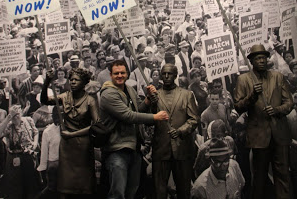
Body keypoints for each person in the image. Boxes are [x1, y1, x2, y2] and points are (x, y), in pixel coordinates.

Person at [99, 59, 169, 199]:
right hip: (116, 149)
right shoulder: (108, 94)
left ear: (127, 73)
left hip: (133, 148)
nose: (119, 76)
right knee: (117, 193)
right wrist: (155, 117)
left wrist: (148, 99)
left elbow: (139, 109)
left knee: (132, 191)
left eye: (122, 73)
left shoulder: (129, 89)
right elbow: (128, 116)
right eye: (116, 73)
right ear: (111, 75)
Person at [233, 44, 293, 199]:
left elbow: (289, 103)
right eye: (257, 58)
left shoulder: (278, 76)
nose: (261, 61)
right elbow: (238, 106)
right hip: (258, 137)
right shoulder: (243, 79)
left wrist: (277, 110)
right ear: (251, 61)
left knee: (283, 175)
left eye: (264, 58)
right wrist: (252, 96)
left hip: (279, 134)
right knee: (259, 178)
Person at [41, 68, 99, 197]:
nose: (72, 82)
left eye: (76, 80)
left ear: (84, 82)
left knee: (84, 187)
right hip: (67, 147)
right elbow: (44, 100)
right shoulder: (64, 96)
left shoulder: (90, 100)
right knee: (65, 187)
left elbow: (96, 126)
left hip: (83, 146)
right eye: (71, 79)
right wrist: (47, 81)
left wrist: (72, 134)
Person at [150, 63, 199, 199]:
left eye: (169, 73)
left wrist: (181, 131)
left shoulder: (186, 95)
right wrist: (152, 104)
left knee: (183, 191)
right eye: (163, 73)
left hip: (182, 149)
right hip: (161, 149)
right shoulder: (155, 95)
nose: (166, 76)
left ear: (176, 75)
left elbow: (194, 119)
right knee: (159, 191)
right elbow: (148, 119)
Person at [0, 105, 40, 199]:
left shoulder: (28, 120)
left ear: (21, 113)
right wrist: (8, 118)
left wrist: (35, 143)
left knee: (30, 183)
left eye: (17, 114)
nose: (16, 117)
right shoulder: (8, 126)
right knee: (16, 185)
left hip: (28, 155)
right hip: (14, 157)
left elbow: (36, 132)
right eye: (13, 115)